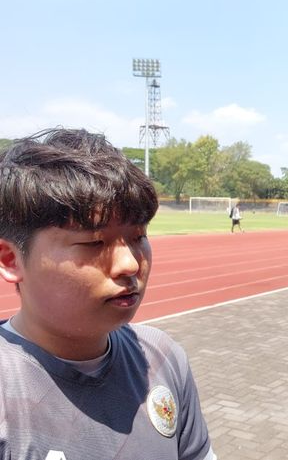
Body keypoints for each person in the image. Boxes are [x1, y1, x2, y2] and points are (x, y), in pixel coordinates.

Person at [0, 129, 216, 459]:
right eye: (93, 243)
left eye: (139, 236)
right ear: (11, 259)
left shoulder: (163, 358)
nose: (129, 264)